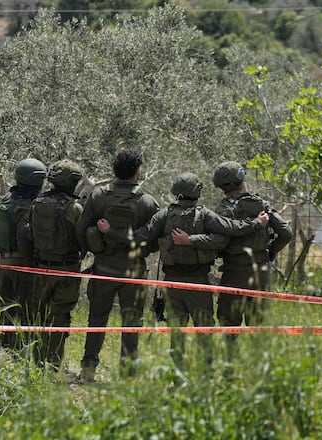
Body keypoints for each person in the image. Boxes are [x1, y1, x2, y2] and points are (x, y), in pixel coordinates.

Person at [98, 172, 268, 369]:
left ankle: (178, 379)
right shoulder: (205, 215)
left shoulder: (163, 215)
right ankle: (206, 376)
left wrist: (110, 231)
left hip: (172, 285)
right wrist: (257, 223)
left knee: (176, 336)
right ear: (197, 192)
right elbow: (231, 229)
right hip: (199, 285)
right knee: (205, 334)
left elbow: (138, 237)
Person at [75, 150, 160, 382]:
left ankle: (88, 371)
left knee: (96, 320)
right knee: (132, 323)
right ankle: (128, 377)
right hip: (134, 271)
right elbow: (154, 237)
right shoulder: (147, 201)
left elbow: (81, 229)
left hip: (103, 269)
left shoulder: (98, 196)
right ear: (137, 171)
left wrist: (95, 249)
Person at [211, 161, 292, 358]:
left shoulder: (222, 210)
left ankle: (231, 369)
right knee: (258, 328)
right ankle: (258, 371)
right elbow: (286, 232)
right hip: (260, 274)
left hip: (233, 273)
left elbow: (218, 242)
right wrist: (270, 251)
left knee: (229, 327)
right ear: (241, 180)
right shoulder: (262, 205)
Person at [27, 159, 85, 370]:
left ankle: (37, 363)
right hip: (66, 271)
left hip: (40, 267)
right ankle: (54, 364)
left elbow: (29, 233)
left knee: (39, 315)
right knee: (60, 317)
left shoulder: (37, 203)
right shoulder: (75, 208)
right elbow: (82, 239)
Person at [0, 158, 47, 350]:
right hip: (25, 267)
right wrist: (33, 263)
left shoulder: (3, 201)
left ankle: (4, 347)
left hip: (4, 264)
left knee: (7, 310)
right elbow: (24, 238)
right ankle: (23, 352)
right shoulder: (31, 206)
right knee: (27, 312)